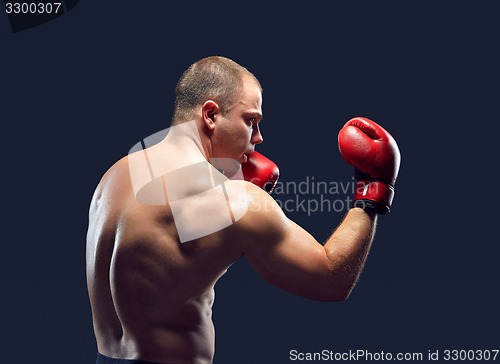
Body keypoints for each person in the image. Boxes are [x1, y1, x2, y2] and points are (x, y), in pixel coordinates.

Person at [86, 56, 401, 364]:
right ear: (211, 115)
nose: (258, 137)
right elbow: (332, 280)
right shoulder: (236, 201)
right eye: (251, 121)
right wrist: (373, 188)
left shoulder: (114, 176)